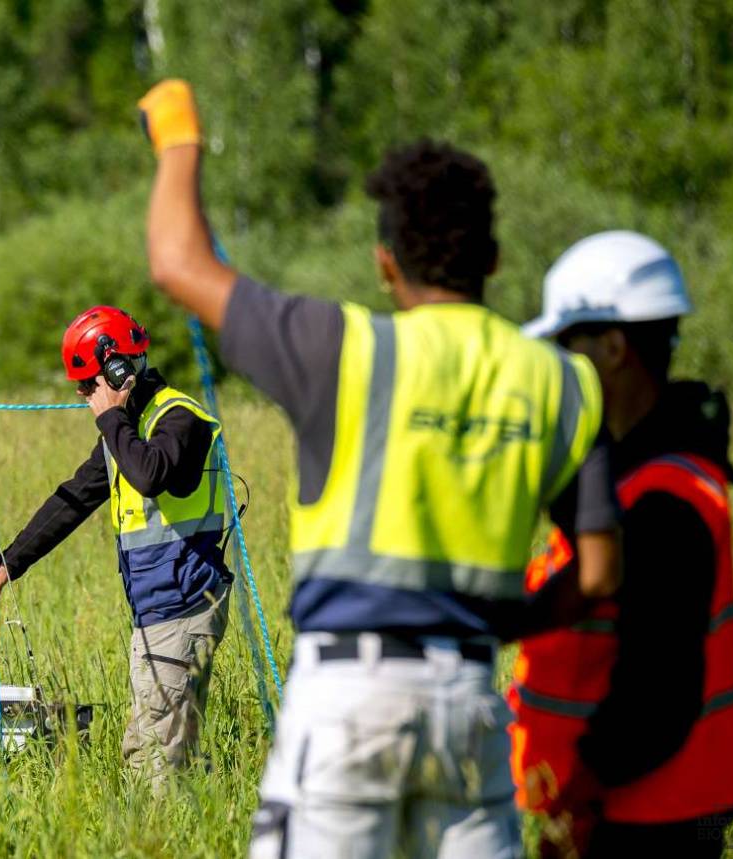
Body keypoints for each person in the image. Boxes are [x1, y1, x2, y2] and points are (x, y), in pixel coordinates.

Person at [136, 79, 622, 858]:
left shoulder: (343, 349)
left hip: (348, 698)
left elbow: (176, 259)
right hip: (469, 703)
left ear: (384, 262)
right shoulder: (562, 381)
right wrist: (499, 620)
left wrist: (177, 132)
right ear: (493, 259)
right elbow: (598, 573)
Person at [511, 231, 733, 858]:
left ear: (615, 348)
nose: (558, 364)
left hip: (651, 814)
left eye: (568, 346)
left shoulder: (663, 503)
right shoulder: (649, 464)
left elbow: (658, 691)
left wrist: (581, 802)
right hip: (676, 797)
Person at [0, 305, 230, 785]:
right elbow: (73, 499)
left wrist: (110, 417)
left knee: (154, 761)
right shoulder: (131, 428)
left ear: (119, 371)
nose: (84, 397)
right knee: (156, 749)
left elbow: (149, 474)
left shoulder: (177, 419)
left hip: (184, 608)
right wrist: (9, 564)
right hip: (157, 612)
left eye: (89, 385)